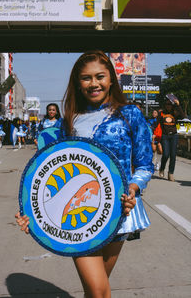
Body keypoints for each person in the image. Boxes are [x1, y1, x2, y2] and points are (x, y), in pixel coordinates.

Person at [15, 51, 154, 298]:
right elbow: (49, 172)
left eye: (100, 76)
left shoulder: (130, 114)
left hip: (120, 212)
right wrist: (34, 214)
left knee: (94, 291)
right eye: (86, 78)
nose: (94, 83)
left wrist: (134, 187)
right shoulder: (68, 122)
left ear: (111, 78)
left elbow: (144, 164)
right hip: (78, 216)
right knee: (100, 291)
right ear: (78, 84)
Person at [158, 97, 185, 181]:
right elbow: (156, 123)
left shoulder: (175, 113)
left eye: (170, 104)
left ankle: (171, 173)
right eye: (167, 104)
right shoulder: (161, 113)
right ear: (165, 105)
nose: (168, 106)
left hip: (174, 136)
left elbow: (183, 116)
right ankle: (162, 168)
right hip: (165, 136)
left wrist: (178, 105)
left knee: (173, 155)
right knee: (166, 154)